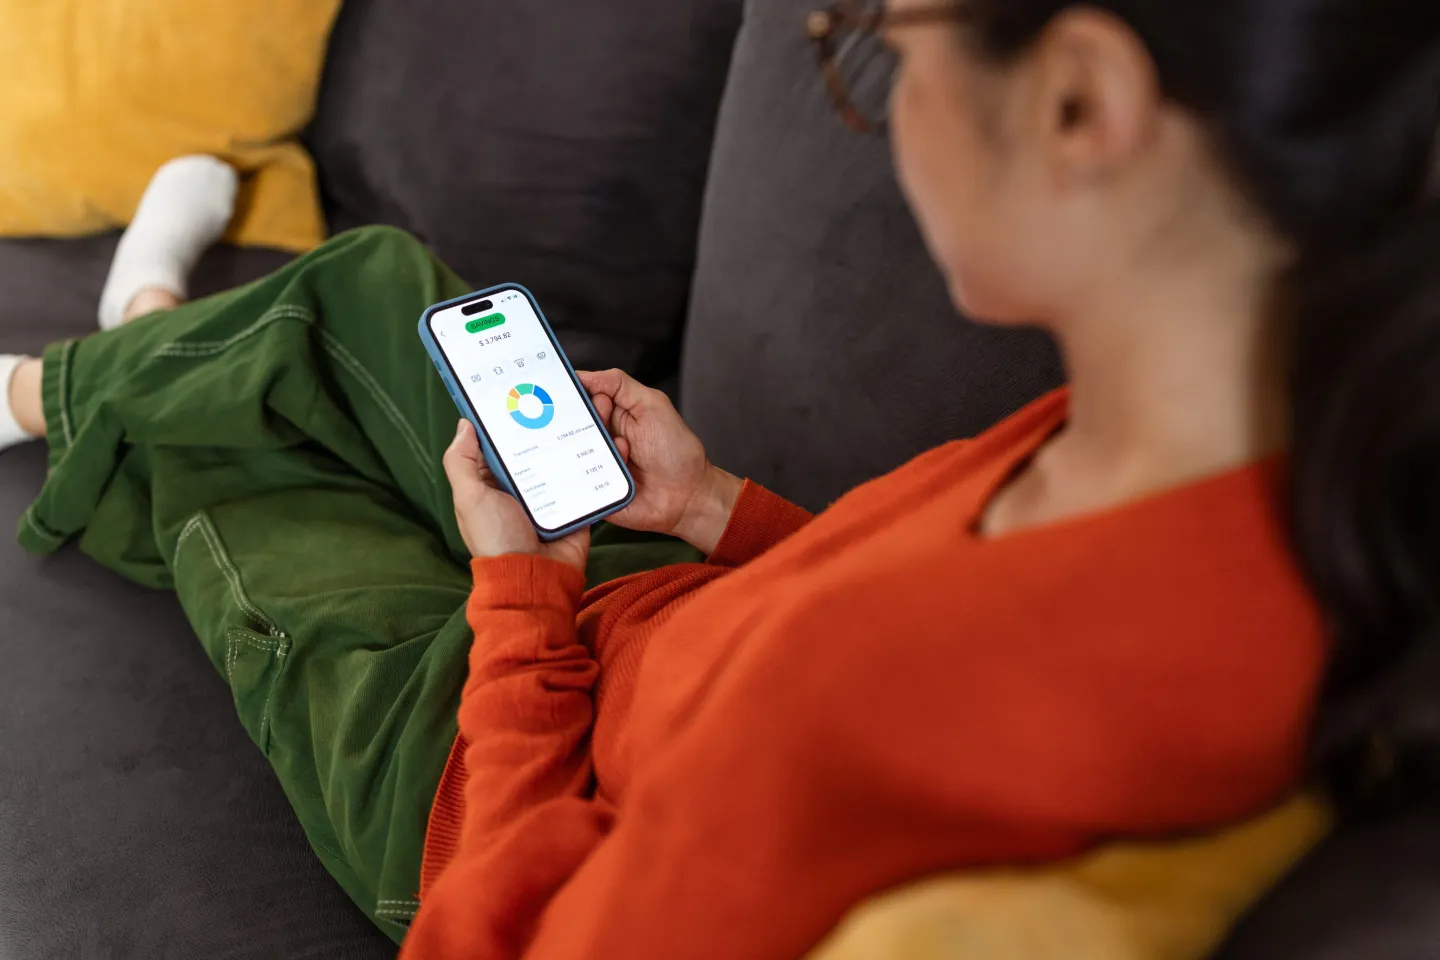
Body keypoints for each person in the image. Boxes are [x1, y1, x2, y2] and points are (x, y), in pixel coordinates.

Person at [1, 0, 1437, 955]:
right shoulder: (1200, 456)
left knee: (247, 486)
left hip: (486, 775)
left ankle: (108, 337)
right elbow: (892, 588)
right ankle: (128, 340)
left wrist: (515, 598)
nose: (881, 95)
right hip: (644, 607)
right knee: (383, 289)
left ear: (1077, 102)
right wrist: (707, 509)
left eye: (876, 48)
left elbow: (510, 934)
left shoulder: (900, 709)